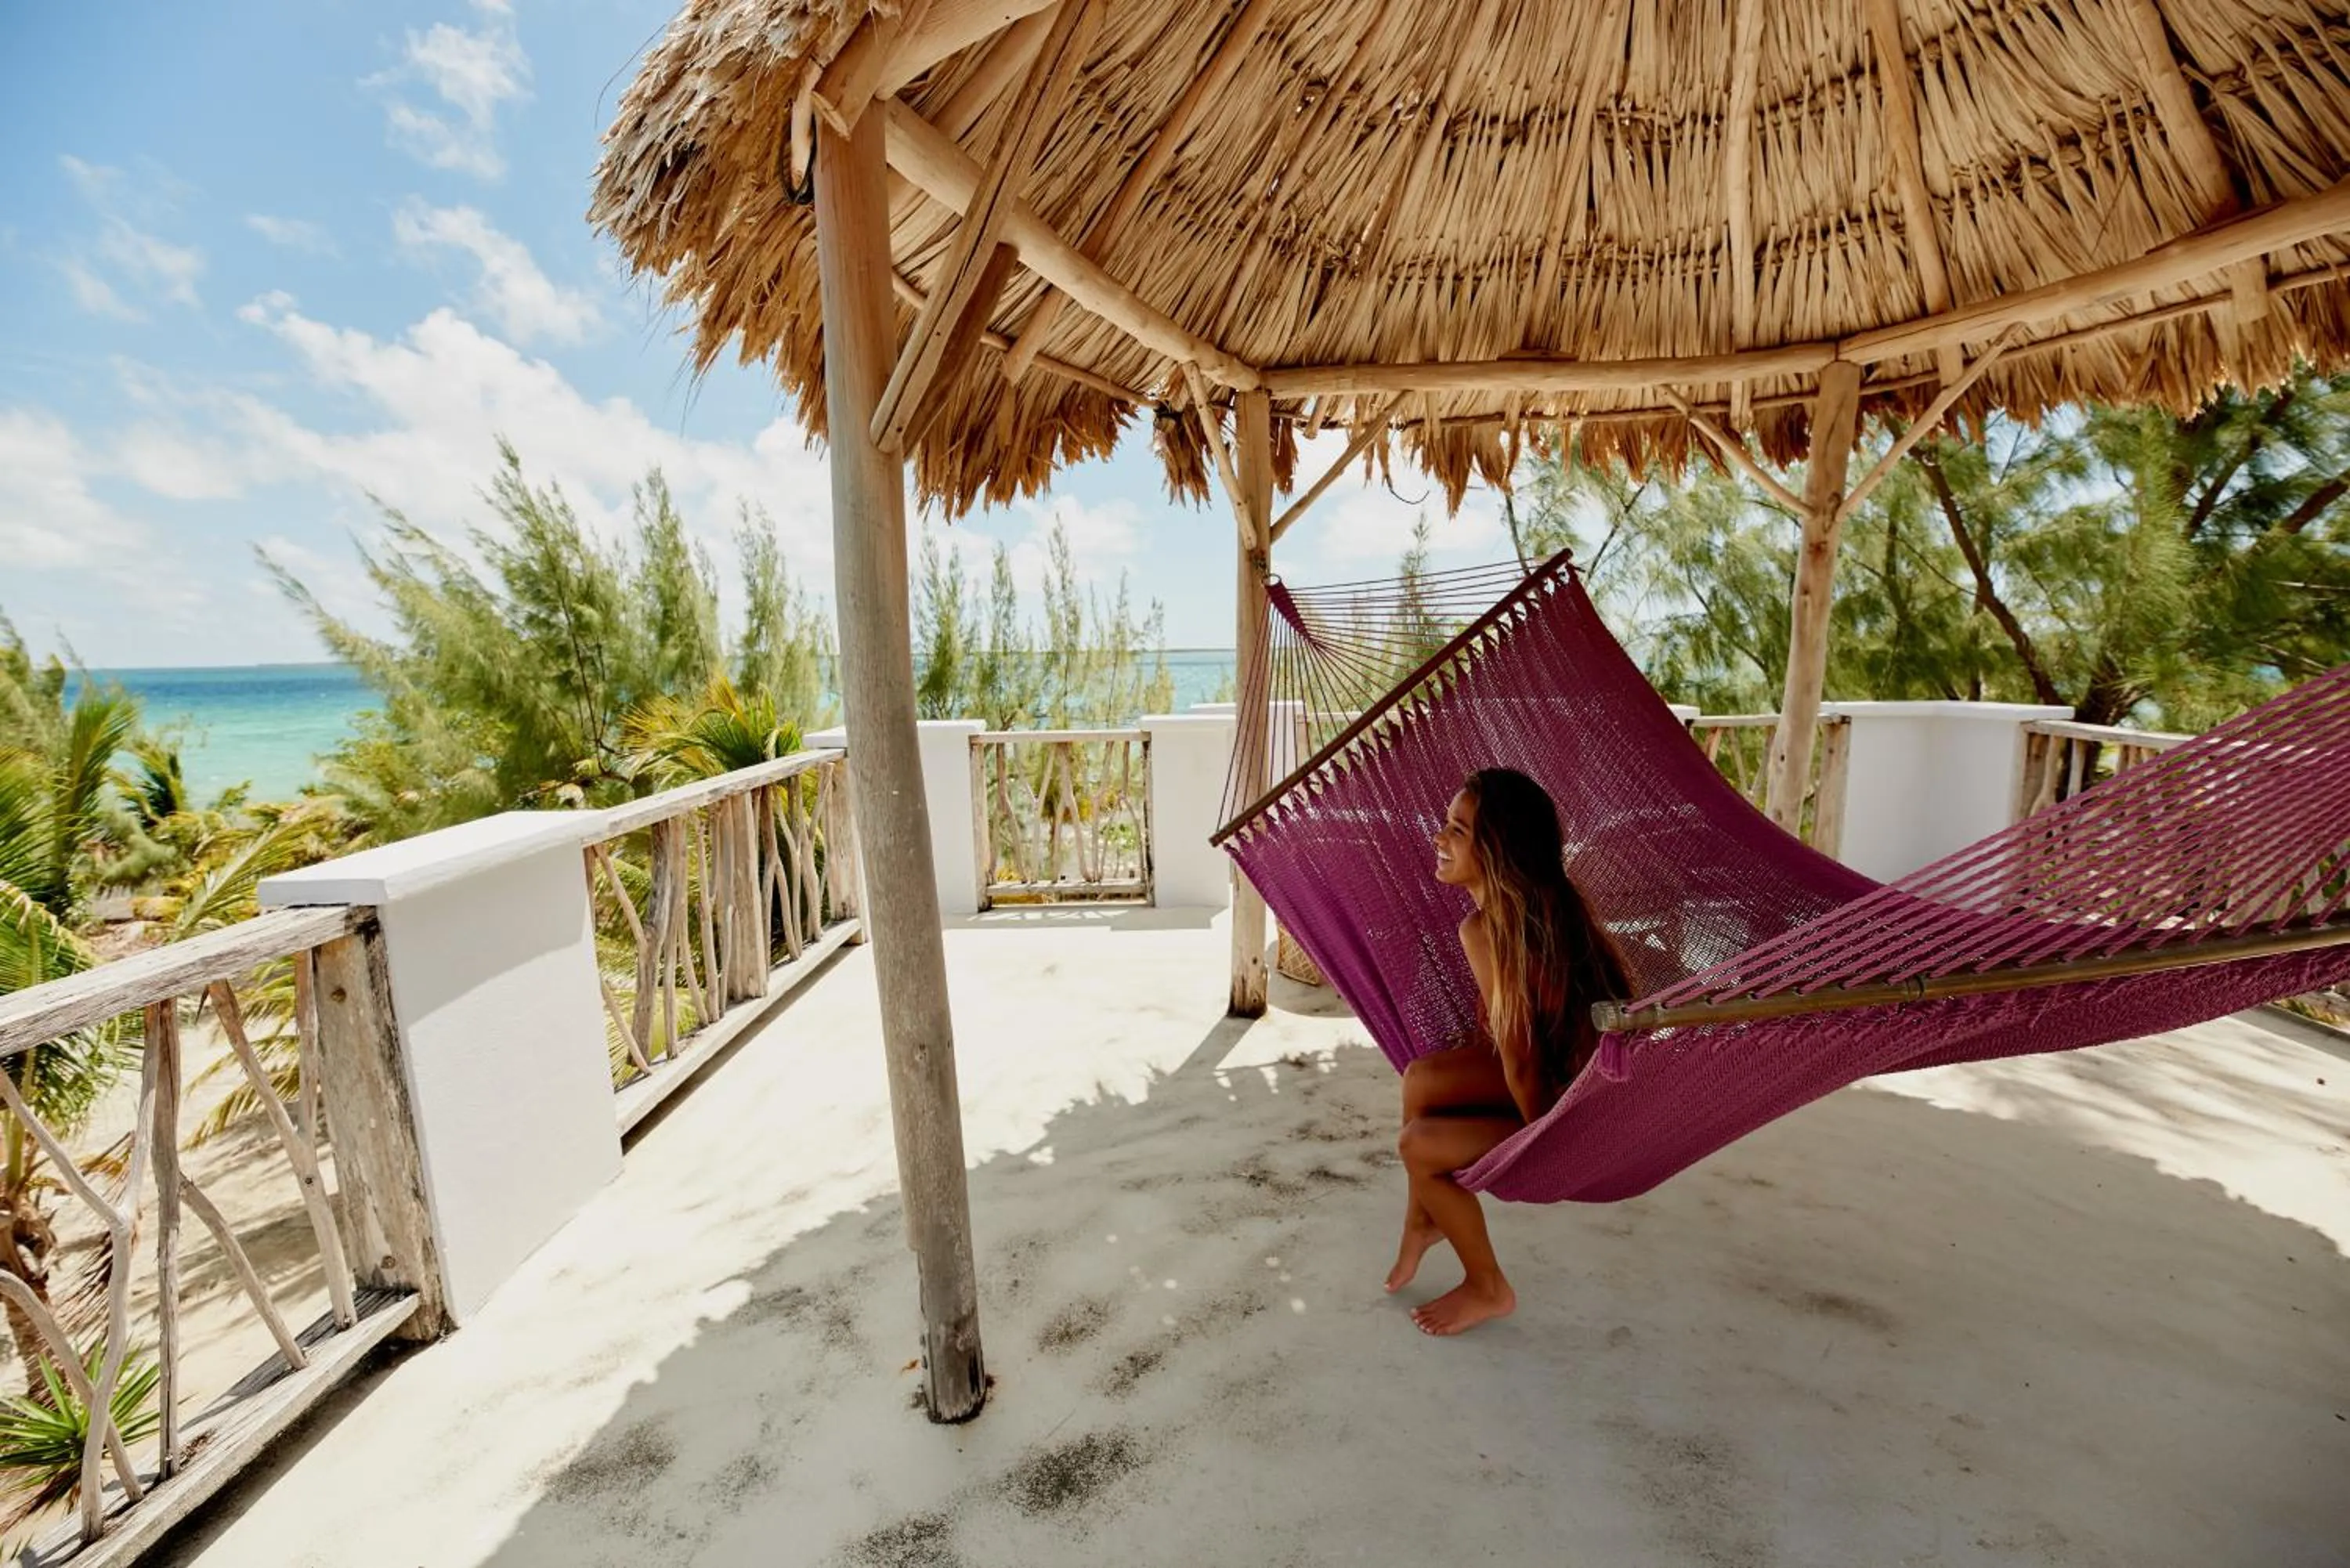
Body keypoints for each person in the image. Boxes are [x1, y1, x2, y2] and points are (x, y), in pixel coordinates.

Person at [1384, 767, 1631, 1335]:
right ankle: (1423, 1218)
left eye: (1458, 830)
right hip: (1574, 1077)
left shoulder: (1490, 931)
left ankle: (1488, 1286)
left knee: (1419, 1145)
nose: (1440, 838)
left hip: (1567, 1105)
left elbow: (1521, 1058)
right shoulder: (1535, 910)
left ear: (1499, 851)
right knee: (1420, 1078)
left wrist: (1539, 1141)